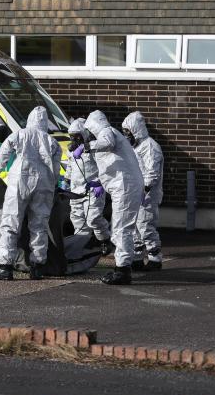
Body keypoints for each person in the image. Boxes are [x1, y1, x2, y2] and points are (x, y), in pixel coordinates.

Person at [0, 106, 61, 282]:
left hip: (19, 179)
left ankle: (5, 267)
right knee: (39, 225)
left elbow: (5, 150)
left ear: (29, 120)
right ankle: (37, 267)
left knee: (11, 222)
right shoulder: (52, 142)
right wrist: (54, 182)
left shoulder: (20, 134)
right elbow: (56, 168)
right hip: (44, 183)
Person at [82, 110, 145, 285]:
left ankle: (122, 271)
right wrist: (99, 182)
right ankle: (122, 266)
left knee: (121, 229)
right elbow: (114, 165)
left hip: (125, 187)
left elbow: (107, 144)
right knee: (122, 228)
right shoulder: (112, 134)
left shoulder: (106, 132)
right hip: (125, 185)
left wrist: (87, 147)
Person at [64, 118, 114, 254]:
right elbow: (70, 165)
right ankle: (81, 246)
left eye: (77, 136)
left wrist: (99, 182)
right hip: (75, 189)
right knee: (77, 219)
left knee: (93, 218)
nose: (74, 139)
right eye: (72, 137)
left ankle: (105, 240)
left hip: (93, 188)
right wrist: (67, 179)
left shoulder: (94, 148)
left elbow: (104, 167)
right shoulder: (71, 151)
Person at [122, 111, 164, 271]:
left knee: (146, 226)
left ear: (136, 130)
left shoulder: (150, 147)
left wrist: (144, 189)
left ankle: (155, 259)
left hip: (147, 195)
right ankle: (137, 257)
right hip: (136, 193)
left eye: (128, 132)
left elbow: (152, 172)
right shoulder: (136, 147)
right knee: (135, 228)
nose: (126, 136)